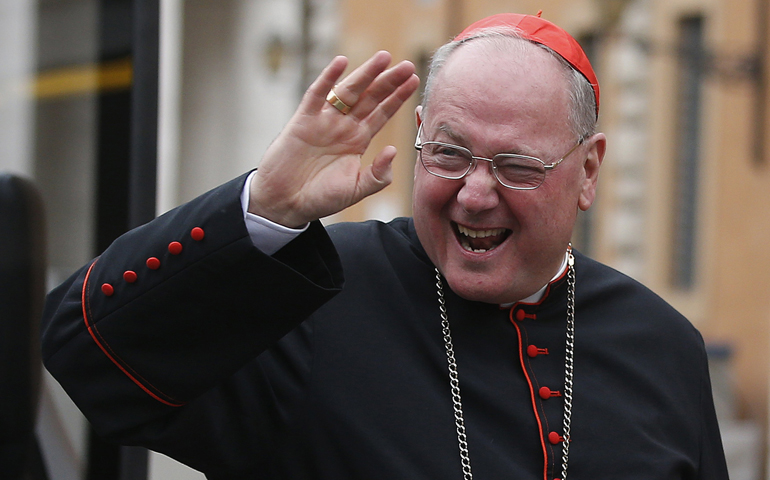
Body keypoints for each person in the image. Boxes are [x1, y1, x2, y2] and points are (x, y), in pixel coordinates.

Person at [41, 12, 729, 480]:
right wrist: (263, 207)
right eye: (450, 153)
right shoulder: (313, 298)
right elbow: (85, 351)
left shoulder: (662, 346)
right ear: (421, 132)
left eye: (517, 167)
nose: (475, 194)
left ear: (588, 171)